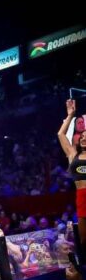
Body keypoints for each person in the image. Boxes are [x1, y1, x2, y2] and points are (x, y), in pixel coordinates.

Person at [58, 99, 86, 262]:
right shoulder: (72, 154)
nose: (83, 138)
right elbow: (60, 134)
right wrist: (70, 115)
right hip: (81, 196)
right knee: (83, 239)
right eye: (82, 136)